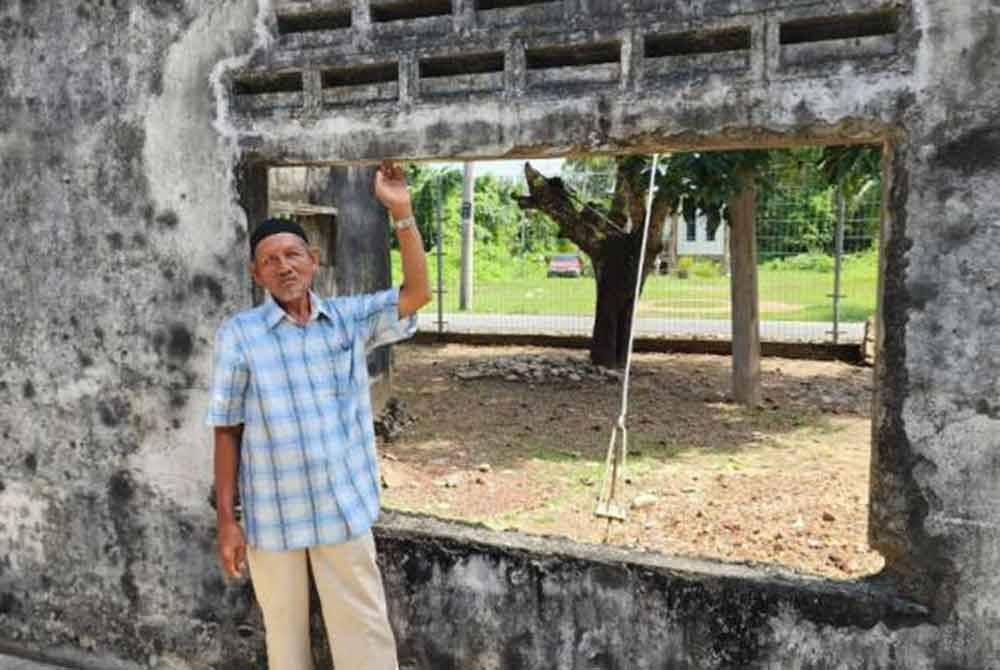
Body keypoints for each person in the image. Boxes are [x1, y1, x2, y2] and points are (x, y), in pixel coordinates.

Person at [206, 161, 431, 670]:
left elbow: (416, 294)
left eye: (292, 254)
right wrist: (227, 520)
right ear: (255, 274)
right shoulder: (240, 335)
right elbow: (227, 429)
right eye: (269, 260)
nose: (283, 267)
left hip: (341, 506)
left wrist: (401, 212)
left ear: (313, 259)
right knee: (285, 638)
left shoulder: (347, 319)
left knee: (364, 632)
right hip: (271, 513)